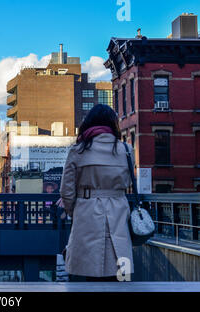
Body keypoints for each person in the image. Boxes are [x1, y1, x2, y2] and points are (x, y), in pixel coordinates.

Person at [58, 104, 134, 282]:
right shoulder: (127, 151)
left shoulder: (78, 151)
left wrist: (74, 211)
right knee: (120, 266)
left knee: (89, 269)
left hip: (87, 210)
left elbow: (66, 191)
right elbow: (130, 183)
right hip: (118, 209)